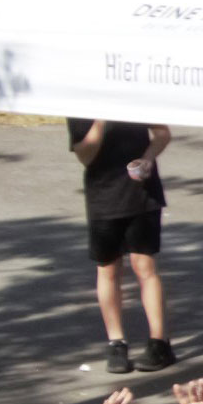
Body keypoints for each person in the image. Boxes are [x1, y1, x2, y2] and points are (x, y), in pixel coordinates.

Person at [76, 121, 176, 378]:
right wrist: (100, 119)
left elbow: (163, 134)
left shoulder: (130, 96)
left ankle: (159, 342)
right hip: (103, 198)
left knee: (145, 266)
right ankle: (116, 343)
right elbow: (85, 155)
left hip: (141, 193)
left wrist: (148, 158)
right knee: (108, 268)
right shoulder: (79, 106)